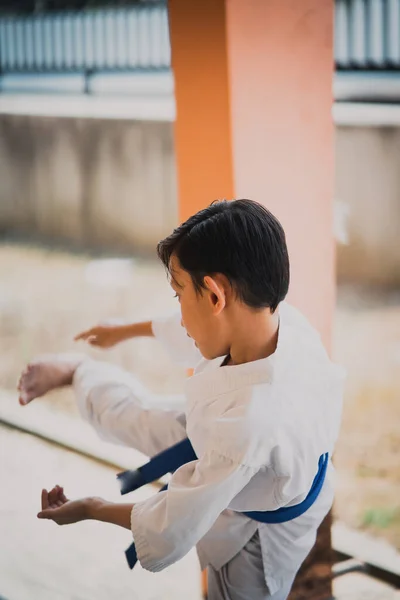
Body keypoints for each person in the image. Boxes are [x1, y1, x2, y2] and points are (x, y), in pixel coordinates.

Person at [17, 199, 344, 600]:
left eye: (178, 293)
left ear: (214, 295)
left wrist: (91, 508)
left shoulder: (252, 423)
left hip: (257, 526)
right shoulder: (281, 321)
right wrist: (125, 330)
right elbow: (199, 323)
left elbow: (173, 524)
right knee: (140, 415)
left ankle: (78, 374)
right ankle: (76, 372)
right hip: (226, 434)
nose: (181, 312)